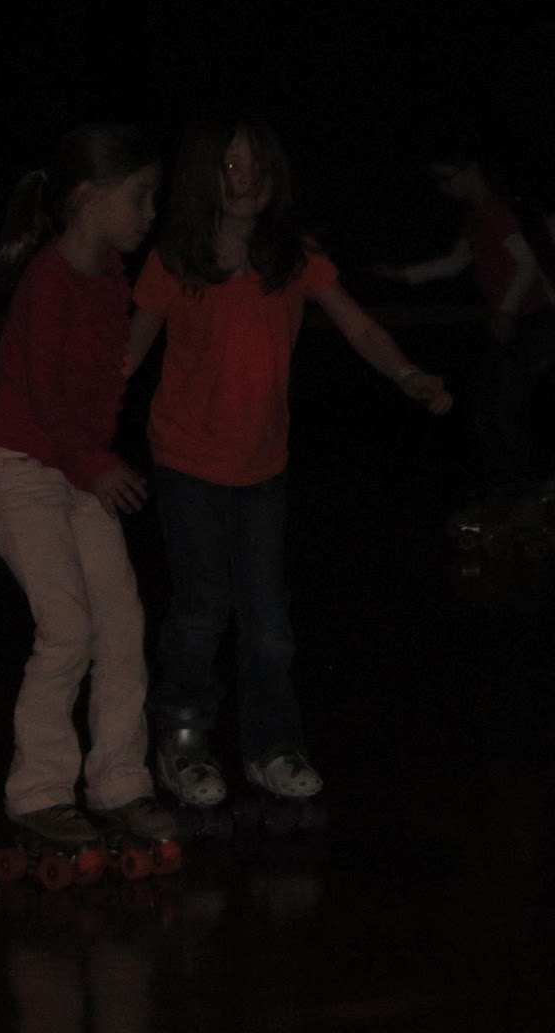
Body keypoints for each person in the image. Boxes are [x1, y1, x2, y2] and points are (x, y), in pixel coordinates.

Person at [126, 113, 453, 809]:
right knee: (201, 609)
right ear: (204, 176)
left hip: (261, 467)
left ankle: (272, 744)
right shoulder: (175, 258)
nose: (244, 177)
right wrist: (68, 438)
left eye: (255, 163)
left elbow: (357, 322)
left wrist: (407, 375)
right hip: (186, 461)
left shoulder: (292, 256)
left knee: (268, 616)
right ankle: (181, 740)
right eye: (229, 164)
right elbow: (125, 355)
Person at [0, 122, 176, 861]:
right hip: (21, 470)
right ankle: (38, 793)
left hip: (77, 467)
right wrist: (97, 466)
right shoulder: (47, 283)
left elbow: (104, 375)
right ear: (89, 198)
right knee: (67, 628)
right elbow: (51, 404)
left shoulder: (109, 276)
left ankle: (120, 781)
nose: (150, 214)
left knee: (121, 622)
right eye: (141, 198)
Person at [374, 127, 555, 528]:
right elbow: (456, 262)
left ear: (471, 170)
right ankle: (502, 492)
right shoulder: (475, 219)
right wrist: (403, 274)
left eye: (447, 177)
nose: (443, 188)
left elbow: (526, 265)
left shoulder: (498, 210)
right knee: (484, 412)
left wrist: (506, 310)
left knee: (507, 409)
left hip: (532, 321)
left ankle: (533, 492)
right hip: (507, 324)